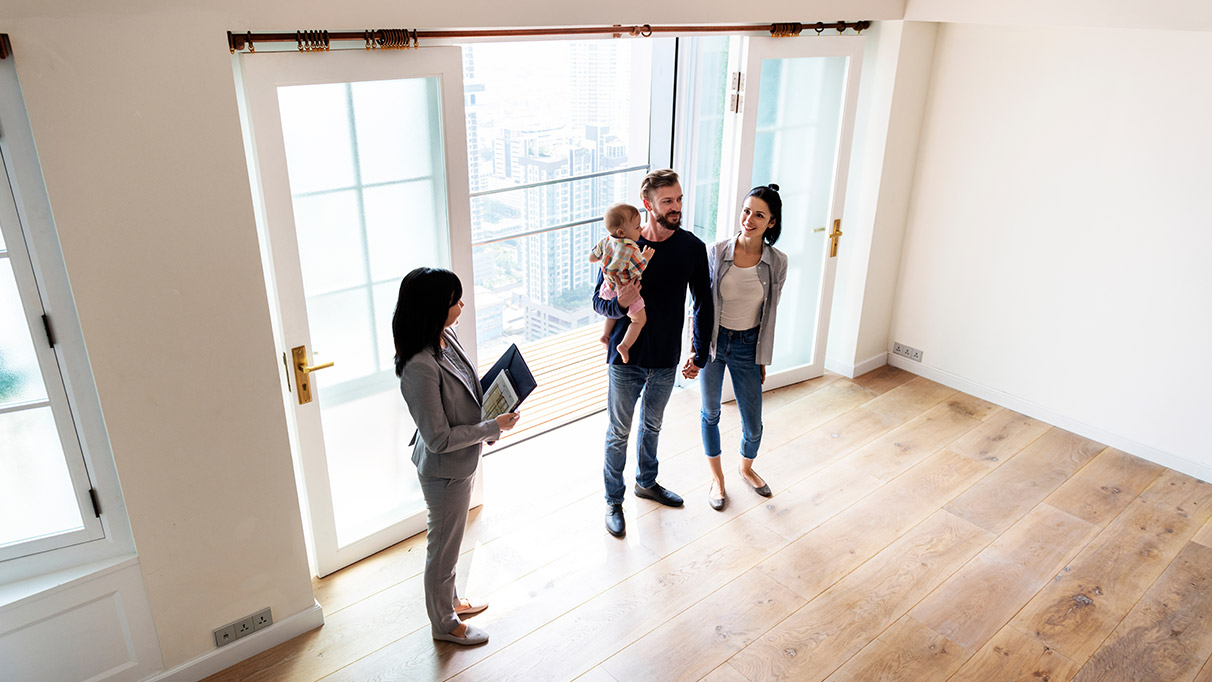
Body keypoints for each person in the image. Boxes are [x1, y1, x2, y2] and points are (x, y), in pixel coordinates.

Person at [393, 267, 520, 646]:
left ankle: (450, 602)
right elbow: (438, 439)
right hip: (444, 470)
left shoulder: (442, 337)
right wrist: (491, 428)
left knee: (450, 542)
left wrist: (491, 420)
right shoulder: (419, 366)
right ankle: (445, 624)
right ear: (435, 308)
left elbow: (467, 390)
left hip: (460, 462)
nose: (462, 304)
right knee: (444, 549)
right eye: (455, 300)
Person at [592, 169, 714, 537]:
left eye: (678, 199)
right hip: (625, 359)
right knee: (618, 432)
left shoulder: (692, 248)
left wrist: (699, 351)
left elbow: (703, 303)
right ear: (647, 205)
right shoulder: (620, 246)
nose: (676, 207)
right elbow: (600, 302)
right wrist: (621, 305)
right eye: (667, 201)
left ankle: (647, 482)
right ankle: (614, 500)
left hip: (664, 359)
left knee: (653, 426)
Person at [700, 185, 788, 511]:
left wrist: (762, 357)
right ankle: (717, 479)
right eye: (746, 210)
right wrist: (696, 350)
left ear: (772, 223)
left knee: (753, 424)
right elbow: (701, 307)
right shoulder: (717, 251)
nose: (749, 219)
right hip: (714, 342)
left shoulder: (777, 263)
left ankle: (746, 468)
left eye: (759, 215)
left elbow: (770, 313)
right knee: (710, 413)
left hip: (748, 345)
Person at [589, 202, 656, 363]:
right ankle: (624, 346)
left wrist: (605, 261)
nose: (640, 230)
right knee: (639, 320)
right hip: (627, 291)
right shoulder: (632, 250)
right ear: (621, 231)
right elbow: (638, 269)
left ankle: (605, 336)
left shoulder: (605, 241)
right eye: (637, 227)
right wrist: (646, 256)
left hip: (607, 288)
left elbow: (592, 258)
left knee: (613, 313)